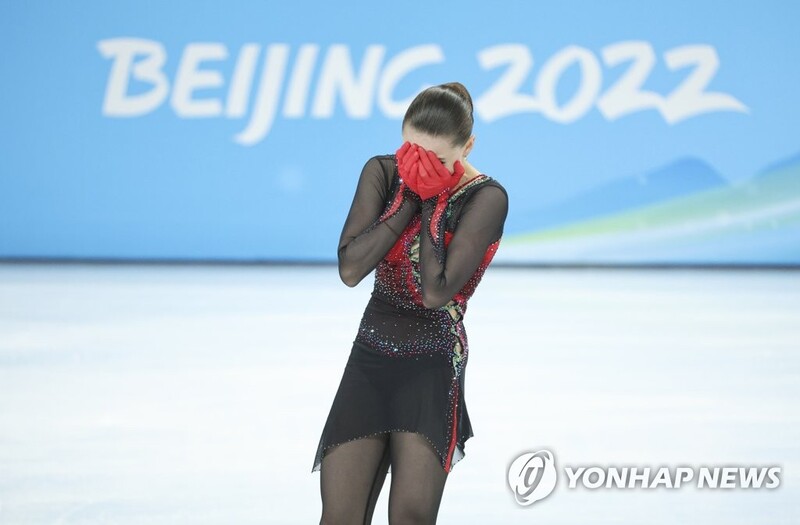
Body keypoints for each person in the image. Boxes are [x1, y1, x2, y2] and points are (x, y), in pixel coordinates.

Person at [312, 81, 509, 524]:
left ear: (468, 146)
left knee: (410, 517)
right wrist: (408, 196)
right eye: (410, 152)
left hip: (433, 361)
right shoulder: (382, 173)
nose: (418, 166)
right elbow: (350, 269)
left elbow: (436, 291)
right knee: (339, 516)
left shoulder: (486, 197)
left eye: (436, 159)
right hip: (371, 354)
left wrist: (432, 200)